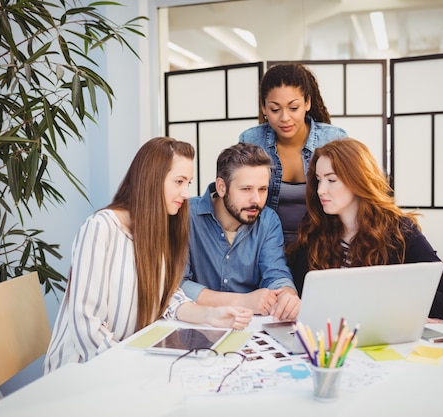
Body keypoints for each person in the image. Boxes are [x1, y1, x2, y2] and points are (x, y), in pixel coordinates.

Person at [44, 137, 253, 374]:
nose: (186, 193)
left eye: (189, 182)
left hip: (127, 358)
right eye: (179, 181)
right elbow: (86, 322)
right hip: (82, 368)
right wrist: (131, 366)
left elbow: (168, 298)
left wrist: (210, 315)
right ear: (152, 179)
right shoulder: (100, 227)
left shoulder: (156, 230)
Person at [287, 138, 443, 323]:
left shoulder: (399, 231)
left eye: (331, 180)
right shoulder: (315, 227)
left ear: (357, 180)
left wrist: (403, 307)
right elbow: (301, 294)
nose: (321, 190)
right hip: (327, 340)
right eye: (318, 180)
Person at [180, 143, 300, 321]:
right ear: (222, 187)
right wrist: (243, 301)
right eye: (246, 189)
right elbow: (178, 285)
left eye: (262, 189)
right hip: (196, 324)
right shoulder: (187, 216)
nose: (256, 200)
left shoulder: (268, 220)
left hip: (248, 327)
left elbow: (276, 274)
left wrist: (286, 296)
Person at [239, 63, 348, 247]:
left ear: (307, 103)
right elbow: (238, 195)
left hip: (323, 242)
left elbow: (353, 194)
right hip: (264, 244)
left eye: (293, 108)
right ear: (264, 108)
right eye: (275, 109)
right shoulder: (251, 140)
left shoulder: (333, 139)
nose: (285, 118)